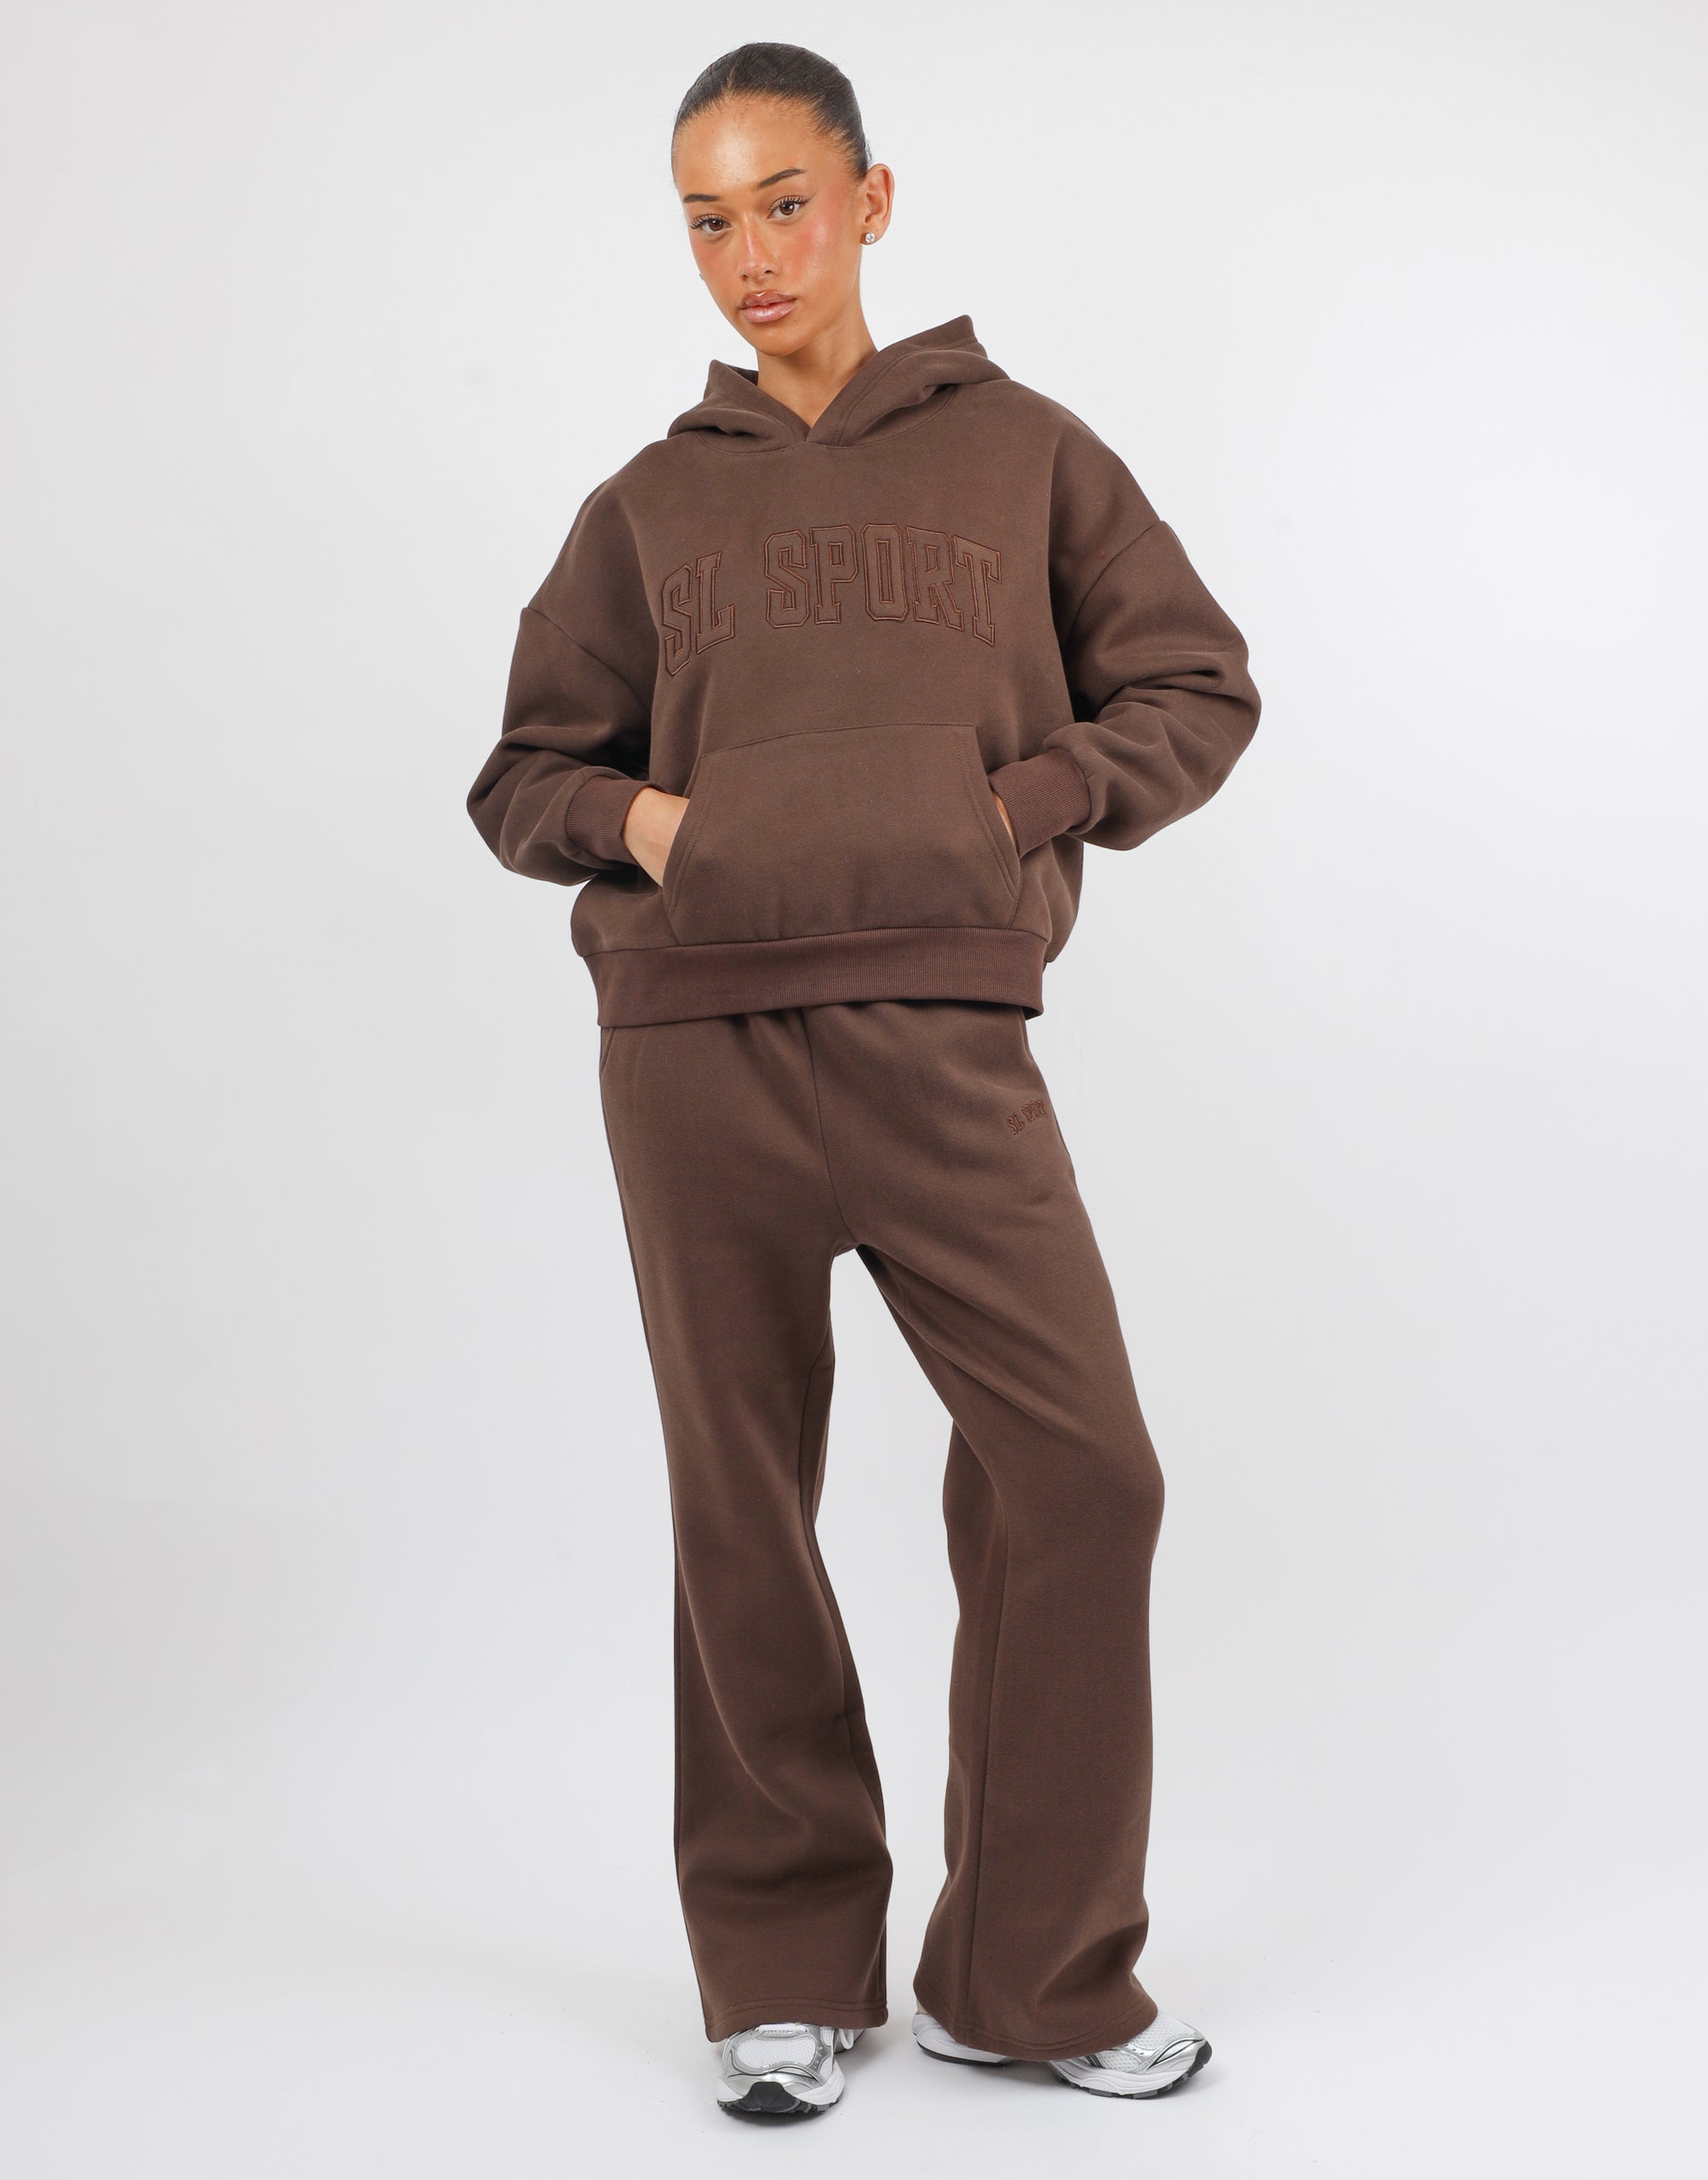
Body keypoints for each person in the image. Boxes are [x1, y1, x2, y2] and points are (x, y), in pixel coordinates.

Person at [466, 40, 1261, 2122]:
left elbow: (1195, 682)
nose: (750, 254)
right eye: (706, 220)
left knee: (1081, 1472)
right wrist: (655, 828)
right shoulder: (647, 505)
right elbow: (523, 773)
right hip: (693, 1050)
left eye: (785, 203)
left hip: (941, 1036)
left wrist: (1010, 808)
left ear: (871, 202)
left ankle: (1028, 1975)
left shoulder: (1026, 453)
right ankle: (781, 1968)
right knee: (744, 1504)